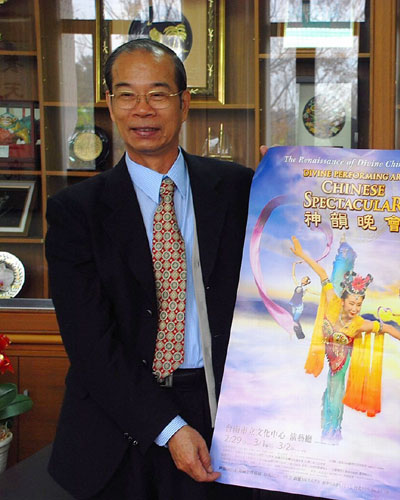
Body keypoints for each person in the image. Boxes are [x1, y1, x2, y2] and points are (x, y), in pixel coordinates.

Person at [45, 39, 253, 499]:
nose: (142, 109)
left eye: (158, 94)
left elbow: (318, 215)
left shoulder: (238, 188)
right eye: (127, 95)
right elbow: (90, 345)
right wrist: (169, 427)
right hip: (117, 427)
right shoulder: (75, 212)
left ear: (184, 104)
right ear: (110, 105)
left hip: (223, 413)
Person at [289, 236, 400, 442]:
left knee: (335, 389)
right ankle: (345, 255)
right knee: (330, 388)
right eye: (352, 303)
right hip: (327, 347)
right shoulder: (332, 299)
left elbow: (389, 328)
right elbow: (322, 274)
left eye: (359, 305)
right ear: (343, 301)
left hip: (341, 358)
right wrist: (302, 254)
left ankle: (332, 431)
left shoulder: (359, 324)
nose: (355, 308)